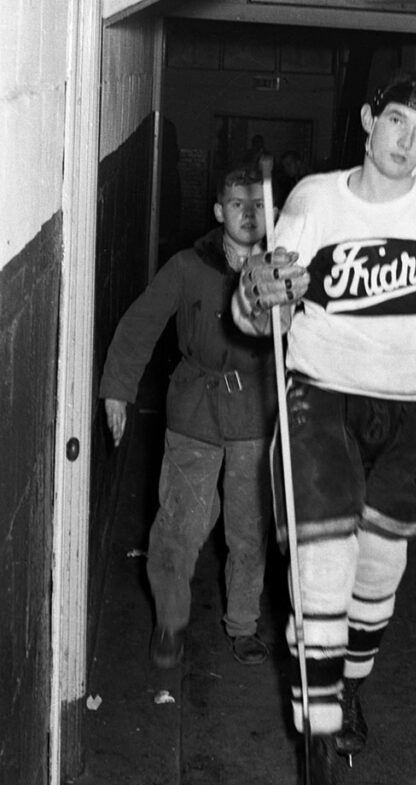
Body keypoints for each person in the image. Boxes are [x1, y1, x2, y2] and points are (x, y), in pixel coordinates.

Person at [231, 70, 416, 785]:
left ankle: (350, 689)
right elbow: (258, 315)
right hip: (322, 397)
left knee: (377, 572)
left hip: (413, 410)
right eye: (396, 124)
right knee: (321, 571)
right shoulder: (313, 197)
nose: (407, 143)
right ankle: (315, 744)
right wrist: (257, 291)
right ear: (368, 118)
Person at [100, 166, 278, 669]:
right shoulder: (186, 266)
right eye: (238, 205)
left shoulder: (283, 269)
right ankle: (171, 619)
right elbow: (140, 324)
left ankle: (243, 624)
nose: (249, 215)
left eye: (259, 205)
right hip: (194, 408)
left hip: (255, 415)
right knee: (179, 523)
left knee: (248, 529)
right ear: (220, 211)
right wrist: (118, 389)